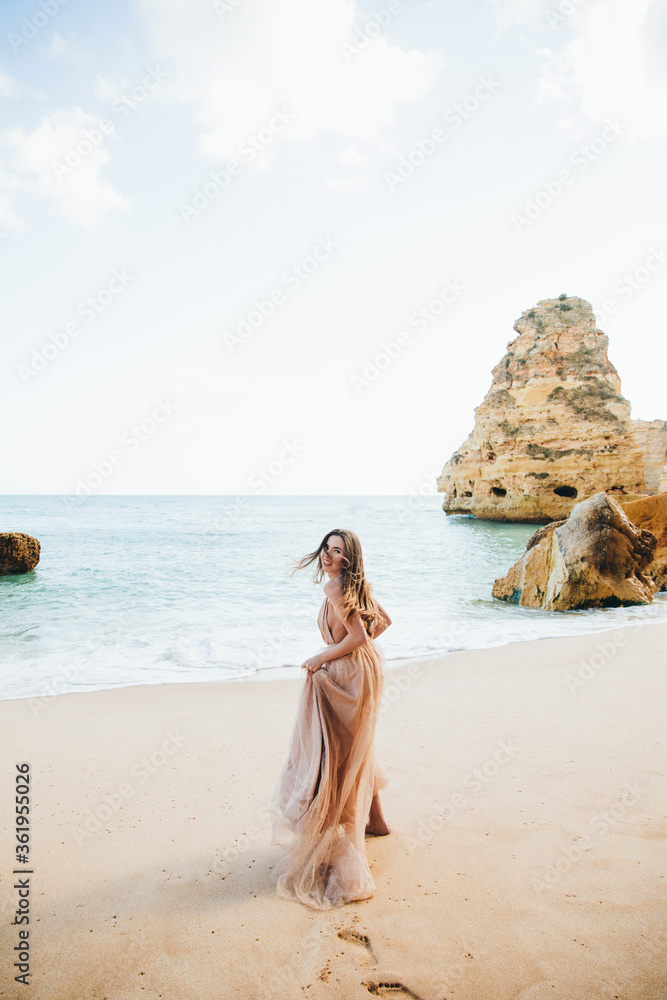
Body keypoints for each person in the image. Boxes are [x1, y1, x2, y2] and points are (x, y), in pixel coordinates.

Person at [269, 528, 392, 910]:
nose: (327, 555)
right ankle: (377, 822)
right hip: (363, 673)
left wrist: (323, 657)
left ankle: (355, 831)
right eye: (326, 547)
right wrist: (347, 652)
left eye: (336, 551)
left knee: (336, 752)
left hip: (348, 677)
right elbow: (382, 623)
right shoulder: (355, 585)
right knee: (355, 747)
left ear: (347, 558)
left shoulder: (336, 588)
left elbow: (358, 636)